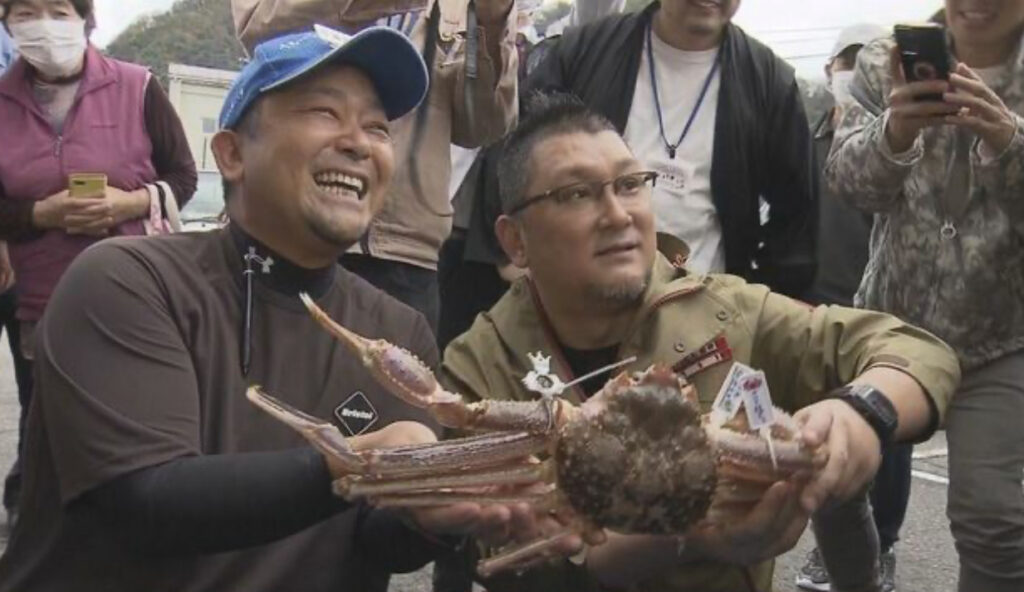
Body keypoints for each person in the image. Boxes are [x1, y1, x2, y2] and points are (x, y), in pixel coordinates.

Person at [0, 26, 558, 592]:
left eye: (377, 127)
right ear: (231, 154)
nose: (359, 144)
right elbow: (145, 500)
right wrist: (354, 461)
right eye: (323, 112)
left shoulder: (397, 331)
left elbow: (373, 537)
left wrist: (436, 518)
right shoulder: (126, 282)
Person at [441, 93, 960, 592]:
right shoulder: (478, 366)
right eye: (576, 193)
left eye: (630, 184)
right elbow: (497, 560)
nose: (618, 214)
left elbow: (918, 351)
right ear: (515, 240)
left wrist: (862, 414)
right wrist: (691, 536)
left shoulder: (728, 313)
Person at [825, 2, 1024, 591]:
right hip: (893, 327)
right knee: (829, 477)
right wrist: (896, 131)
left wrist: (1009, 142)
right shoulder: (882, 61)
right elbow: (846, 184)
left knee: (992, 519)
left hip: (1001, 335)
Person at [0, 0, 196, 524]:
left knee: (127, 411)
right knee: (45, 415)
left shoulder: (138, 86)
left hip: (130, 294)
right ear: (6, 22)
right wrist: (41, 212)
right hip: (41, 298)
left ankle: (127, 523)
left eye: (57, 10)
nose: (43, 24)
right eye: (25, 12)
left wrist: (129, 203)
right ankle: (36, 524)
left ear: (84, 18)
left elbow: (183, 176)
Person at [232, 0, 518, 331]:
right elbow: (256, 27)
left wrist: (491, 23)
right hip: (289, 228)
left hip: (405, 251)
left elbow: (484, 126)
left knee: (400, 361)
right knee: (268, 358)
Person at [526, 0, 817, 297]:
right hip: (579, 299)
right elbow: (520, 153)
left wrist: (754, 299)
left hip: (702, 307)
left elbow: (796, 218)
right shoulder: (586, 50)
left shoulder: (768, 81)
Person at [797, 23, 909, 592]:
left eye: (863, 62)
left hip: (873, 311)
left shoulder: (897, 142)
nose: (852, 72)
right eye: (846, 61)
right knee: (820, 437)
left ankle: (881, 546)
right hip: (808, 307)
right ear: (830, 69)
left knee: (884, 437)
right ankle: (832, 550)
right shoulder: (807, 139)